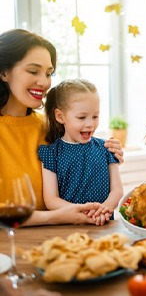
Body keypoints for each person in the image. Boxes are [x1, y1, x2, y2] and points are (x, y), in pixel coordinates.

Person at [0, 28, 124, 226]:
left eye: (49, 73)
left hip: (57, 238)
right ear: (4, 72)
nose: (44, 82)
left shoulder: (49, 125)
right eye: (33, 71)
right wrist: (57, 216)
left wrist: (110, 154)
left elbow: (79, 161)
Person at [38, 79, 123, 226]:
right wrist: (82, 212)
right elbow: (51, 200)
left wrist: (104, 210)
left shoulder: (106, 148)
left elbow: (117, 190)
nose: (90, 124)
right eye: (82, 117)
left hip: (103, 224)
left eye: (95, 116)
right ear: (60, 116)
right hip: (67, 228)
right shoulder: (51, 153)